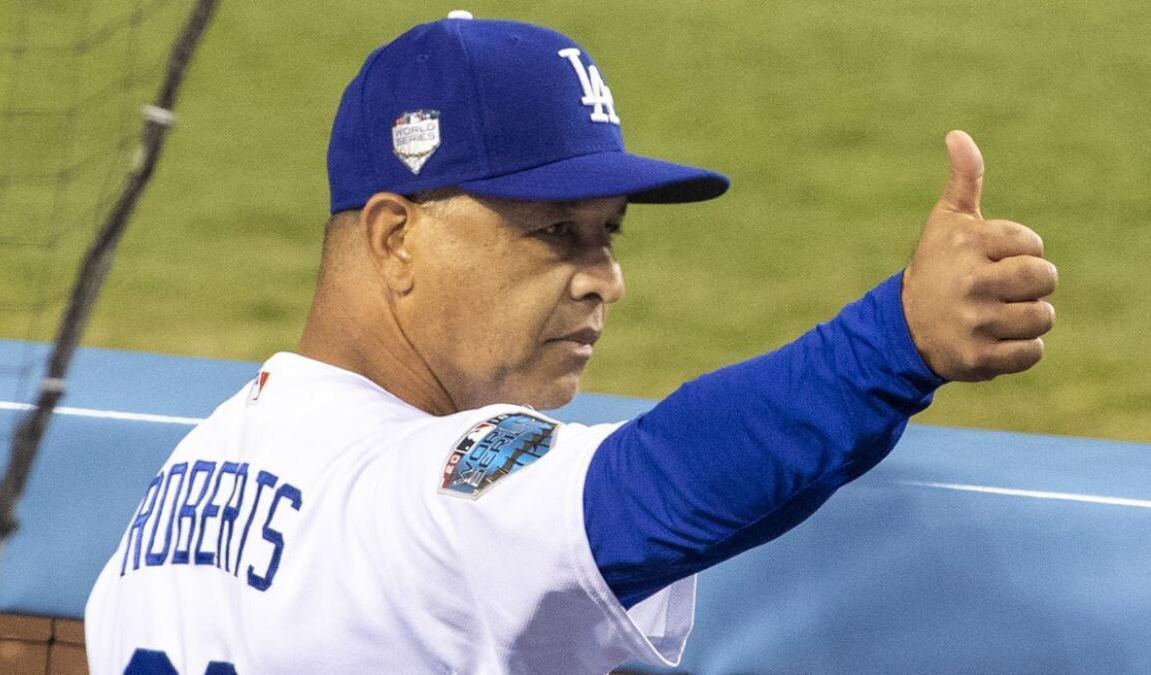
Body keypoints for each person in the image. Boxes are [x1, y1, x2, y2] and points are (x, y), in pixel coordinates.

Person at [84, 11, 1057, 674]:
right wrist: (896, 340)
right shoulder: (428, 494)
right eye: (556, 231)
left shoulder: (181, 489)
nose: (603, 276)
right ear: (395, 238)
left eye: (609, 233)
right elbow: (660, 486)